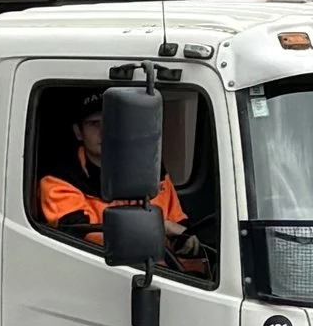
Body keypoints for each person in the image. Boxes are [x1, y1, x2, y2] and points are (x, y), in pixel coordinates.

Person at [38, 98, 200, 267]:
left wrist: (185, 242)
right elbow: (79, 236)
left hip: (163, 274)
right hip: (96, 271)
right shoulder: (59, 179)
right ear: (78, 132)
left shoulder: (151, 171)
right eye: (94, 124)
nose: (104, 131)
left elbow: (178, 224)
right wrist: (158, 230)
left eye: (112, 122)